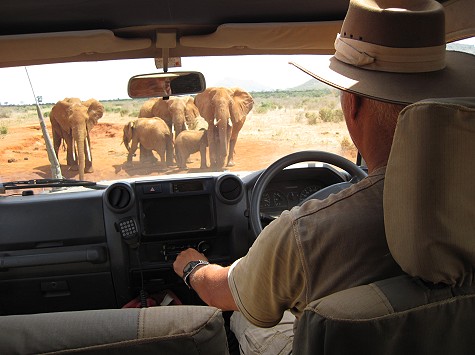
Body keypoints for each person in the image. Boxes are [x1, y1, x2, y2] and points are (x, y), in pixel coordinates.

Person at [173, 0, 475, 353]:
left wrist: (193, 266)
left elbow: (223, 292)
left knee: (246, 315)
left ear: (353, 105)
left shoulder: (304, 233)